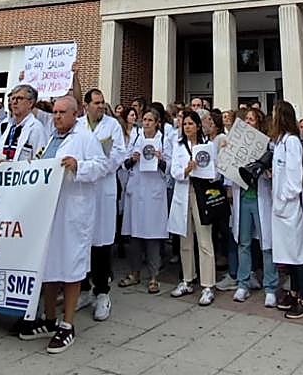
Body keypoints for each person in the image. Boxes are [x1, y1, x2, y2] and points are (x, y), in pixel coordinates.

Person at [17, 95, 107, 354]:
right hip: (49, 213)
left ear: (75, 114)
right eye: (54, 112)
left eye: (61, 112)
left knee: (70, 268)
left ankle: (67, 325)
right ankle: (48, 319)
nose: (56, 116)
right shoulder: (50, 139)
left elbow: (101, 166)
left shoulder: (85, 138)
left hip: (73, 214)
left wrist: (79, 166)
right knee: (49, 267)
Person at [78, 87, 127, 321]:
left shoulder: (112, 125)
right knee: (82, 242)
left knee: (102, 243)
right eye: (96, 102)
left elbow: (118, 155)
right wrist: (87, 168)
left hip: (104, 188)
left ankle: (102, 293)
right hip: (82, 191)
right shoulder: (78, 125)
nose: (100, 106)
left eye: (102, 103)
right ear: (86, 105)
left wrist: (95, 168)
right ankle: (83, 290)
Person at [268, 100, 303, 320]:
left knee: (300, 254)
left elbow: (295, 178)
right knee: (289, 255)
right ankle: (295, 292)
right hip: (281, 208)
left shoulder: (292, 142)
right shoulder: (280, 142)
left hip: (291, 206)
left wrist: (284, 197)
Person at [229, 105, 278, 306]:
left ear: (259, 122)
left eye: (252, 119)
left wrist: (265, 169)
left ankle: (271, 287)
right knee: (244, 242)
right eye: (246, 119)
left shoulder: (268, 146)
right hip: (243, 199)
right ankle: (243, 283)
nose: (249, 122)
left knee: (267, 244)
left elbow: (273, 172)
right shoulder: (236, 143)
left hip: (261, 197)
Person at [118, 109, 170, 293]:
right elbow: (123, 164)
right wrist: (132, 159)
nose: (146, 123)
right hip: (137, 193)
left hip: (154, 193)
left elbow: (170, 169)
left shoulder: (164, 140)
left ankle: (154, 276)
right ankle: (134, 273)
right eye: (144, 119)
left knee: (153, 238)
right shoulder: (135, 138)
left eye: (150, 120)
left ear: (157, 123)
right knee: (134, 237)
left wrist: (160, 160)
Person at [168, 110, 217, 305]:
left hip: (201, 194)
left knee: (204, 240)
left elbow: (215, 172)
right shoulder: (178, 146)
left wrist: (205, 171)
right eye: (184, 124)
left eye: (190, 124)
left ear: (198, 125)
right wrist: (185, 170)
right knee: (185, 240)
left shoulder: (207, 146)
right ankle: (187, 279)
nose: (187, 127)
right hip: (183, 193)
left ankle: (207, 285)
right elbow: (173, 171)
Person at [0, 84, 48, 164]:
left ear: (30, 103)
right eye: (13, 98)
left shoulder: (36, 128)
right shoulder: (7, 126)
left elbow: (40, 160)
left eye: (19, 98)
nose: (14, 102)